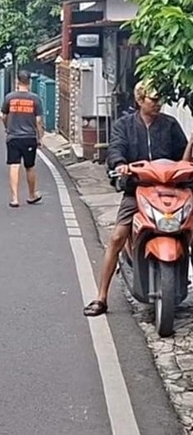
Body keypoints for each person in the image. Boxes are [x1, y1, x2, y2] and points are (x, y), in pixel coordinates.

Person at [83, 81, 193, 317]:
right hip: (138, 190)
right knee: (117, 237)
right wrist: (120, 165)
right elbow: (116, 149)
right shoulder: (124, 126)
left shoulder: (170, 125)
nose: (158, 104)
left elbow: (183, 155)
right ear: (140, 100)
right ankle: (101, 297)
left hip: (172, 189)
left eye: (159, 99)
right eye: (153, 100)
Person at [0, 71, 44, 207]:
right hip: (29, 137)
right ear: (29, 82)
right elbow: (38, 120)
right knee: (30, 166)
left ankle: (14, 198)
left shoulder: (9, 98)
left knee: (14, 165)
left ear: (16, 81)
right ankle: (31, 195)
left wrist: (7, 128)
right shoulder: (35, 99)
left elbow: (4, 116)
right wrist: (40, 136)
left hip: (13, 136)